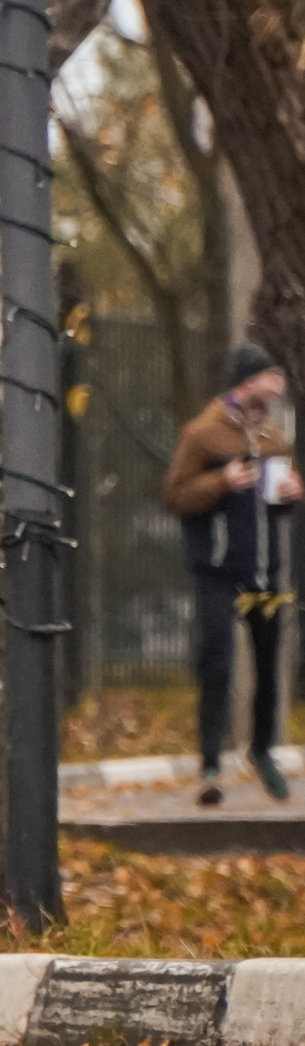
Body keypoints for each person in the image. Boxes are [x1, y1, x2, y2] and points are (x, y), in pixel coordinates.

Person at [163, 342, 300, 804]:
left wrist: (289, 495)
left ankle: (262, 751)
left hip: (264, 573)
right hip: (217, 572)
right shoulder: (204, 434)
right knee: (217, 663)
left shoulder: (275, 439)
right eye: (270, 377)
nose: (277, 386)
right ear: (247, 382)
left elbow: (274, 510)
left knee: (269, 664)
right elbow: (175, 496)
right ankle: (210, 764)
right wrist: (221, 482)